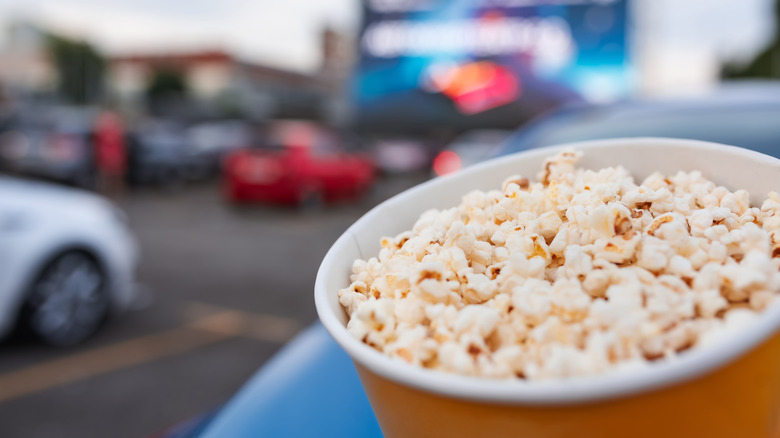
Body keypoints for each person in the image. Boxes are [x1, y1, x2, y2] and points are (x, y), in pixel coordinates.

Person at [93, 109, 127, 198]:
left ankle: (117, 192)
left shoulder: (117, 129)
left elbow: (121, 142)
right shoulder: (102, 130)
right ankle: (106, 193)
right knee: (105, 175)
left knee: (116, 175)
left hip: (115, 155)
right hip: (105, 155)